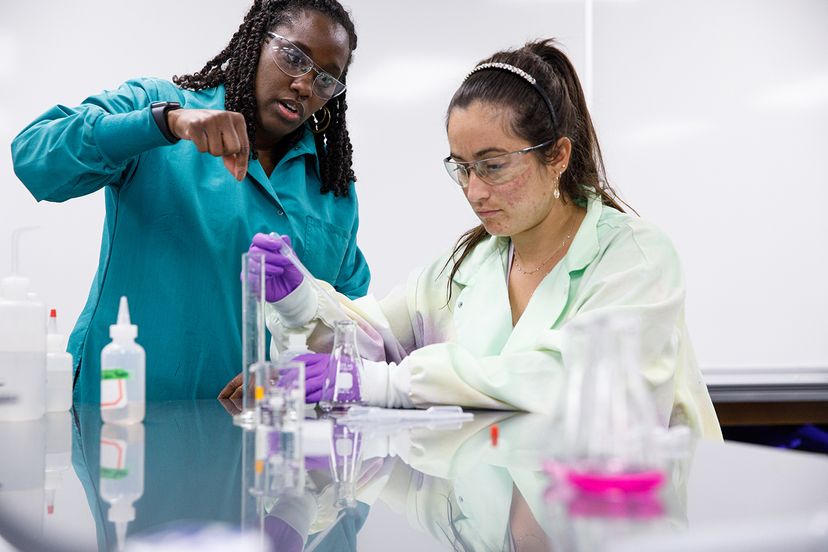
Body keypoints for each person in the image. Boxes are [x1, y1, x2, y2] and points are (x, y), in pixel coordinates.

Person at [231, 38, 721, 439]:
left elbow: (574, 382)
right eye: (461, 168)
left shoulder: (634, 257)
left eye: (492, 165)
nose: (474, 191)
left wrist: (394, 384)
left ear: (558, 156)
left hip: (620, 516)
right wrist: (301, 302)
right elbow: (370, 346)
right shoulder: (466, 266)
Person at [10, 0, 370, 403]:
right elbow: (34, 157)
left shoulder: (332, 189)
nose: (304, 85)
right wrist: (163, 123)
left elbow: (351, 316)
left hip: (253, 446)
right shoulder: (163, 111)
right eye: (293, 56)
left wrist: (298, 370)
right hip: (120, 424)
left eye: (325, 80)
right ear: (256, 43)